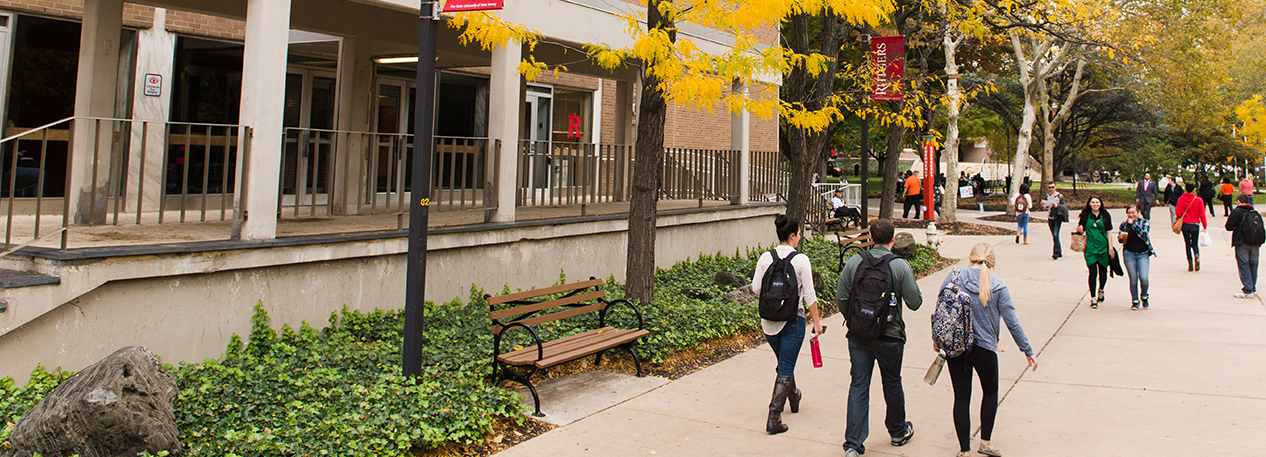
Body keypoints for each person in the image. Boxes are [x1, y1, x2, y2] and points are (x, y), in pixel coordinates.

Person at [936, 243, 1038, 457]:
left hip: (957, 347)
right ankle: (986, 442)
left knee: (961, 397)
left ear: (970, 258)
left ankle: (964, 451)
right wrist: (1027, 350)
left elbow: (940, 308)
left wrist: (937, 338)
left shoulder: (954, 276)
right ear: (992, 262)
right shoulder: (999, 286)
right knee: (990, 392)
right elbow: (1012, 322)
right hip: (985, 349)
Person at [837, 219, 923, 457]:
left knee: (859, 384)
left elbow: (841, 297)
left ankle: (853, 444)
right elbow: (915, 303)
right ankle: (897, 431)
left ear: (871, 238)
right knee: (892, 381)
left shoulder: (855, 261)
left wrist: (856, 320)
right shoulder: (900, 267)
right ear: (893, 240)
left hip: (859, 335)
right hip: (890, 336)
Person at [751, 215, 823, 434]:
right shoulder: (801, 260)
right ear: (792, 236)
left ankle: (794, 395)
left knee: (784, 363)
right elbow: (810, 296)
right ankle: (773, 418)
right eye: (799, 234)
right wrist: (817, 323)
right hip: (793, 322)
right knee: (785, 367)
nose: (799, 237)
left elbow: (756, 288)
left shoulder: (765, 257)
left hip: (769, 323)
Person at [1076, 196, 1116, 308]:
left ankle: (1101, 290)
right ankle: (1093, 297)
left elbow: (1109, 231)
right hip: (1090, 248)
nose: (1095, 204)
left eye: (1097, 202)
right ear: (1089, 204)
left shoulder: (1106, 215)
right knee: (1093, 272)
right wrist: (1079, 229)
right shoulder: (1085, 216)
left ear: (1100, 203)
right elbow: (1081, 229)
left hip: (1103, 248)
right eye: (1093, 202)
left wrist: (1110, 247)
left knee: (1103, 272)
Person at [1119, 205, 1155, 310]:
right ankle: (1135, 300)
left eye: (1133, 213)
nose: (1131, 215)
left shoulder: (1145, 222)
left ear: (1138, 212)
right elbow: (1121, 239)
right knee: (1133, 278)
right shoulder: (1124, 224)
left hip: (1142, 254)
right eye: (1129, 213)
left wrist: (1133, 224)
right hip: (1129, 253)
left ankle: (1144, 295)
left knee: (1144, 278)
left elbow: (1144, 234)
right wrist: (1121, 238)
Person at [1226, 194, 1262, 298]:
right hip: (1255, 242)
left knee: (1243, 264)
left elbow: (1228, 226)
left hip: (1241, 241)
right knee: (1253, 264)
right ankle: (1252, 288)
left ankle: (1248, 289)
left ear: (1238, 201)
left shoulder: (1237, 211)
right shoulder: (1254, 212)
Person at [1176, 182, 1209, 271]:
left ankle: (1190, 263)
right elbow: (1202, 214)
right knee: (1195, 243)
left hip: (1185, 224)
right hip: (1195, 224)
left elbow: (1178, 213)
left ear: (1185, 188)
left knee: (1187, 244)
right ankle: (1197, 255)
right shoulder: (1198, 200)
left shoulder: (1180, 199)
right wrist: (1205, 225)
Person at [1042, 183, 1067, 259]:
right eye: (1050, 187)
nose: (1051, 189)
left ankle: (1055, 252)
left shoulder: (1060, 196)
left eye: (1052, 187)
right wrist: (1044, 205)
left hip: (1058, 217)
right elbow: (1045, 207)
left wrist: (1057, 205)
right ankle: (1059, 251)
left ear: (1055, 187)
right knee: (1054, 235)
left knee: (1056, 234)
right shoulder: (1047, 196)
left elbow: (1063, 207)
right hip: (1050, 216)